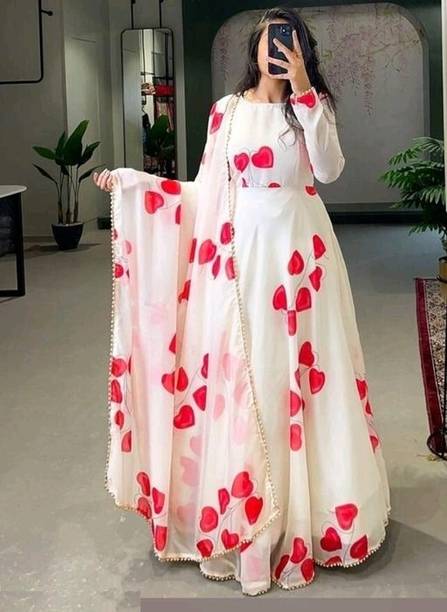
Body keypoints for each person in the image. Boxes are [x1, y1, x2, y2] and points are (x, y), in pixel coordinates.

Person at [93, 6, 391, 597]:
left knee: (299, 374)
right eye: (268, 38)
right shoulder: (225, 113)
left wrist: (304, 90)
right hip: (238, 260)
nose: (275, 48)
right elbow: (206, 191)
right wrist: (138, 185)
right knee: (246, 374)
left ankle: (308, 519)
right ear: (254, 47)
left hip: (299, 262)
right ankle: (248, 521)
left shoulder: (311, 108)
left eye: (288, 39)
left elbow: (329, 170)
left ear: (301, 49)